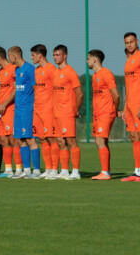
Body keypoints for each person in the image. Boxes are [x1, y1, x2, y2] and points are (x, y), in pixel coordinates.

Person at [120, 32, 140, 181]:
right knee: (134, 136)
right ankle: (138, 171)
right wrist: (125, 106)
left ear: (137, 41)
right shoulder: (128, 61)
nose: (129, 45)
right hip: (130, 105)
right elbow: (128, 86)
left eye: (131, 42)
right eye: (127, 42)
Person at [8, 46, 40, 179]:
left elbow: (36, 89)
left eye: (9, 56)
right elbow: (17, 89)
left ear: (15, 56)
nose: (9, 59)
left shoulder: (29, 69)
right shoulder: (16, 70)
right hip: (18, 110)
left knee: (30, 138)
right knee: (20, 139)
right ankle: (26, 170)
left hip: (28, 109)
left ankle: (37, 171)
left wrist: (36, 106)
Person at [51, 45, 83, 180]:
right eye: (53, 55)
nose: (55, 57)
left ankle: (75, 172)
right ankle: (64, 170)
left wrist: (75, 110)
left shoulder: (71, 72)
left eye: (57, 55)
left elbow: (79, 94)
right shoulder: (55, 73)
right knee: (59, 141)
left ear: (65, 56)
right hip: (56, 112)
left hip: (67, 112)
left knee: (71, 141)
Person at [87, 50, 119, 180]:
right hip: (98, 113)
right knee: (101, 141)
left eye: (88, 58)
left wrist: (115, 109)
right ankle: (106, 171)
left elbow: (116, 95)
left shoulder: (106, 73)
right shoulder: (95, 76)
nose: (87, 61)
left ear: (94, 60)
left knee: (100, 140)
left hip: (106, 112)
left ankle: (105, 173)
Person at [0, 46, 21, 178]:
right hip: (1, 110)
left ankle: (19, 169)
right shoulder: (0, 72)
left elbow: (15, 89)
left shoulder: (13, 69)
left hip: (10, 109)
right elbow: (0, 92)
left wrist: (5, 104)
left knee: (13, 139)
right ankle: (8, 169)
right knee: (3, 139)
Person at [31, 44, 59, 179]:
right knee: (42, 138)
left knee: (51, 138)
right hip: (37, 110)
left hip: (48, 110)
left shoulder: (51, 69)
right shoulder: (36, 70)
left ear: (39, 55)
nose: (32, 58)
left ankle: (55, 169)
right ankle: (48, 169)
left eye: (33, 55)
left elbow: (58, 89)